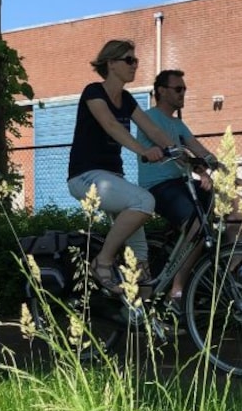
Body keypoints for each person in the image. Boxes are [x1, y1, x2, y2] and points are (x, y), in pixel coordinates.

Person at [66, 40, 175, 294]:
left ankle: (137, 320)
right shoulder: (93, 92)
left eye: (135, 60)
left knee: (140, 257)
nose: (135, 65)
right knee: (144, 201)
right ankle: (102, 262)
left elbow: (153, 129)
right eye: (129, 60)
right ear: (110, 63)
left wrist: (186, 157)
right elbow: (111, 126)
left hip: (113, 178)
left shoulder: (126, 99)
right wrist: (144, 151)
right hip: (85, 177)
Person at [135, 69, 242, 306]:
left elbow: (200, 151)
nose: (183, 93)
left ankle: (232, 266)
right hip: (159, 186)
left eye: (184, 89)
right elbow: (178, 153)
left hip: (182, 183)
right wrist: (201, 170)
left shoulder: (178, 123)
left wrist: (228, 174)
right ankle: (177, 293)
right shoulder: (149, 118)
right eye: (178, 89)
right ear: (161, 91)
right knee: (197, 228)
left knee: (231, 203)